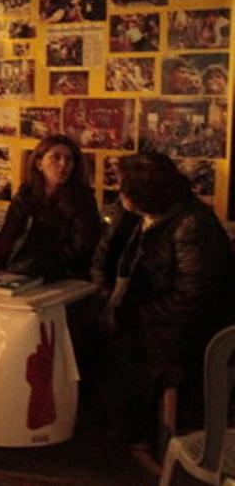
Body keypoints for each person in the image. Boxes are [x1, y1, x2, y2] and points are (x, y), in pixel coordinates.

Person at [91, 152, 235, 447]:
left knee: (125, 353)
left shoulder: (191, 223)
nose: (119, 191)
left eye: (124, 186)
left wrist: (134, 315)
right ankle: (115, 430)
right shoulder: (131, 213)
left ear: (144, 190)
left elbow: (193, 296)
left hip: (184, 327)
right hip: (136, 307)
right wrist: (105, 294)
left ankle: (139, 435)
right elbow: (103, 258)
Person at [0, 135, 101, 280]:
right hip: (24, 272)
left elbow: (83, 246)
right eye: (56, 157)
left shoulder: (82, 199)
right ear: (39, 164)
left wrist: (45, 264)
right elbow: (10, 237)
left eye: (69, 159)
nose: (63, 164)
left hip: (66, 274)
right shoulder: (24, 197)